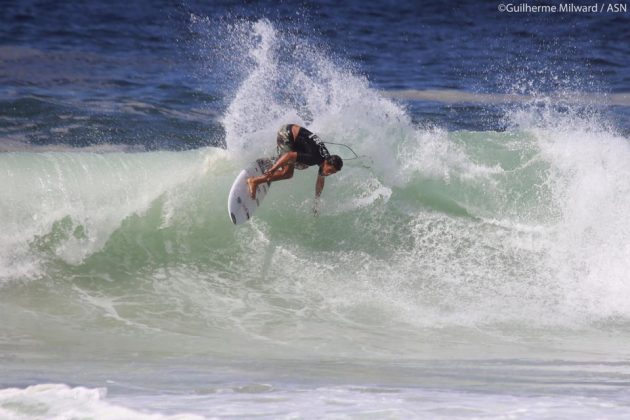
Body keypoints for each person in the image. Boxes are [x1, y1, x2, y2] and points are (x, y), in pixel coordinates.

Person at [247, 124, 343, 202]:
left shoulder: (327, 159)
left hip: (296, 141)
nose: (329, 173)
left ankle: (274, 160)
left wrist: (316, 200)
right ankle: (254, 181)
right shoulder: (315, 158)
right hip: (286, 134)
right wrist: (274, 169)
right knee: (287, 173)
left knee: (303, 166)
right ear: (326, 163)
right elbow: (290, 156)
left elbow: (320, 180)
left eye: (332, 172)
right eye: (330, 170)